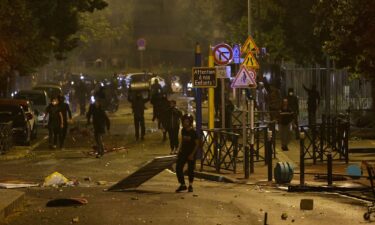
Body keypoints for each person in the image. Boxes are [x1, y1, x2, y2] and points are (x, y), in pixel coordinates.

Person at [175, 114, 200, 193]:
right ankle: (182, 184)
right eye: (184, 121)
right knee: (178, 168)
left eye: (187, 122)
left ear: (190, 122)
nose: (185, 123)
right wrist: (179, 151)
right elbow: (182, 141)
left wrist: (192, 154)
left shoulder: (193, 132)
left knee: (190, 170)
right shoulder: (183, 130)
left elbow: (197, 144)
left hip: (191, 153)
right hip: (183, 152)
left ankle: (190, 185)